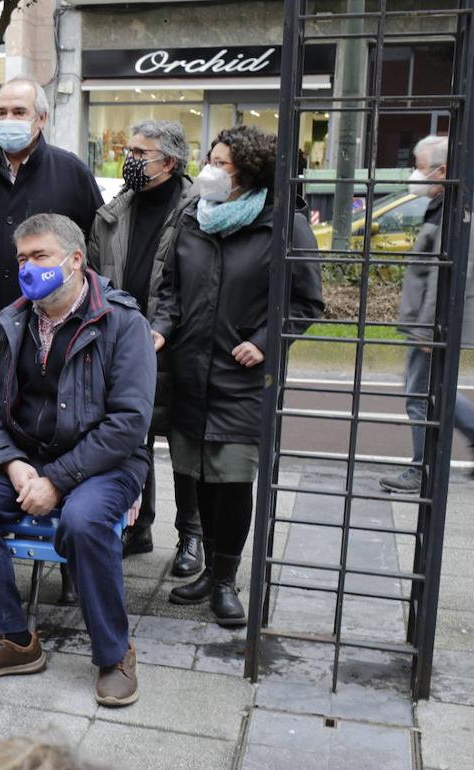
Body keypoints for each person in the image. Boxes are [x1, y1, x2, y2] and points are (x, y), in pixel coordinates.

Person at [0, 213, 154, 708]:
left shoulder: (123, 322)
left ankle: (115, 653)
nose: (28, 268)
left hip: (106, 463)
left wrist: (56, 480)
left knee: (83, 521)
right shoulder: (14, 320)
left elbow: (128, 422)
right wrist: (12, 464)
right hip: (28, 456)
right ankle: (14, 639)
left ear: (75, 260)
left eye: (40, 256)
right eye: (22, 259)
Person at [153, 126, 324, 626]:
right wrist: (160, 328)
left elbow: (306, 301)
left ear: (248, 173)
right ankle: (209, 571)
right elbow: (170, 291)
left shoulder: (284, 225)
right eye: (210, 159)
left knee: (232, 480)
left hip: (242, 379)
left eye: (221, 163)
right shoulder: (193, 217)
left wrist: (265, 342)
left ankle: (226, 580)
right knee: (200, 476)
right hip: (190, 372)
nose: (209, 169)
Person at [86, 119, 204, 578]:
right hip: (124, 341)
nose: (129, 160)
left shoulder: (197, 210)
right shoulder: (113, 212)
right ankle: (138, 527)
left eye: (139, 153)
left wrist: (165, 327)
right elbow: (95, 273)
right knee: (134, 436)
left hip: (180, 344)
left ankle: (190, 535)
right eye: (129, 151)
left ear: (169, 162)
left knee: (184, 443)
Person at [0, 78, 104, 339]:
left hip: (55, 328)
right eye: (2, 113)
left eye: (19, 112)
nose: (8, 119)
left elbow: (98, 248)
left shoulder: (72, 173)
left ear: (41, 118)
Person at [379, 135, 474, 492]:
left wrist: (426, 328)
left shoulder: (450, 211)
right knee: (435, 389)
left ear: (442, 170)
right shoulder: (445, 205)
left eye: (420, 168)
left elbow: (441, 275)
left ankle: (422, 470)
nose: (415, 175)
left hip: (430, 323)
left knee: (420, 395)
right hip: (430, 321)